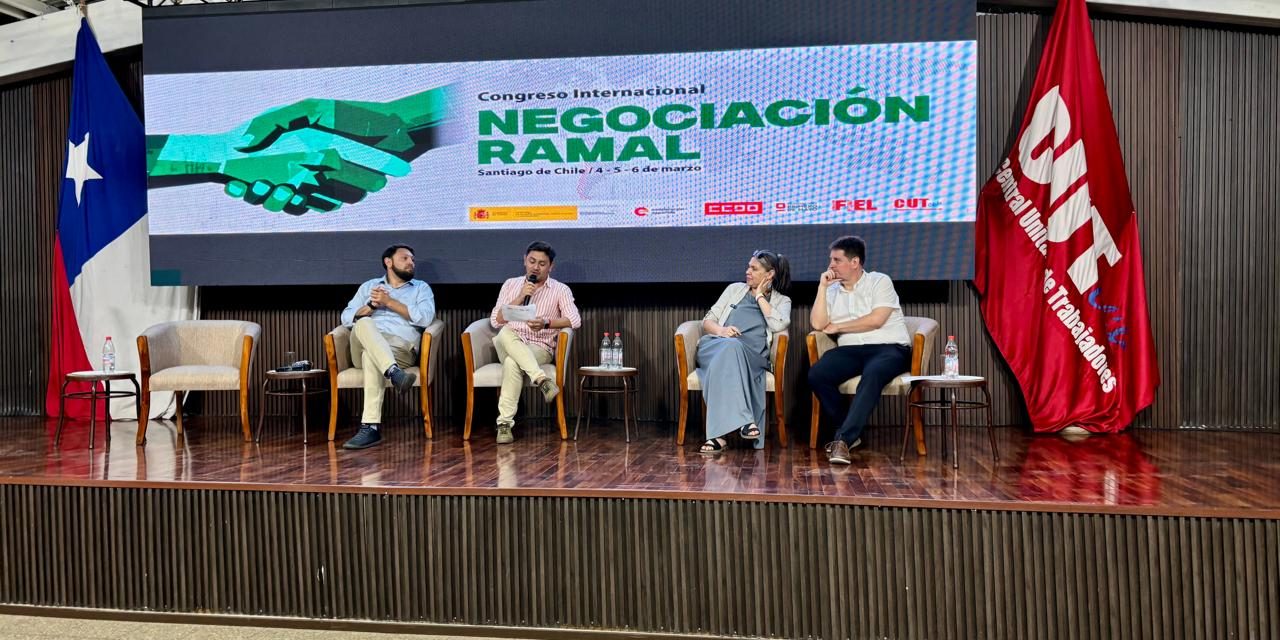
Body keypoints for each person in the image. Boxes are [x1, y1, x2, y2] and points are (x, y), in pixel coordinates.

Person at [807, 236, 912, 465]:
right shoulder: (832, 290)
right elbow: (818, 323)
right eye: (831, 260)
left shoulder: (879, 281)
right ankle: (847, 430)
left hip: (889, 348)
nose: (831, 265)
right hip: (851, 350)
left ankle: (843, 440)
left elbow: (876, 320)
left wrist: (839, 326)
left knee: (873, 373)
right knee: (817, 374)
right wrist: (822, 288)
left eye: (837, 260)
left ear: (854, 262)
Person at [338, 244, 436, 450]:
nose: (411, 263)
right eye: (405, 258)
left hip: (399, 348)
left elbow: (427, 318)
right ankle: (394, 373)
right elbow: (346, 317)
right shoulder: (369, 287)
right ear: (388, 262)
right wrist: (371, 306)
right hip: (362, 342)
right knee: (364, 322)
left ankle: (370, 428)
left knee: (370, 356)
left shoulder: (421, 288)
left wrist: (389, 302)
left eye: (412, 260)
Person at [695, 250, 792, 454]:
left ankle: (717, 437)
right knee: (732, 346)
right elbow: (707, 321)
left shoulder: (782, 301)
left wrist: (760, 296)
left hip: (752, 357)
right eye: (748, 266)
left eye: (754, 269)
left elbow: (779, 324)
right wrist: (722, 331)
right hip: (717, 345)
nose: (747, 271)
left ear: (770, 274)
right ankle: (745, 420)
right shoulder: (734, 290)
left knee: (733, 350)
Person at [488, 241, 582, 444]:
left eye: (541, 263)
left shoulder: (560, 289)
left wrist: (547, 323)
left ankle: (504, 425)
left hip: (539, 346)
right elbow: (495, 320)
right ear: (525, 260)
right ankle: (542, 380)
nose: (535, 267)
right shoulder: (511, 284)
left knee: (512, 363)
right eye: (532, 261)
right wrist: (521, 296)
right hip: (509, 342)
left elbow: (575, 320)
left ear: (551, 266)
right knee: (505, 331)